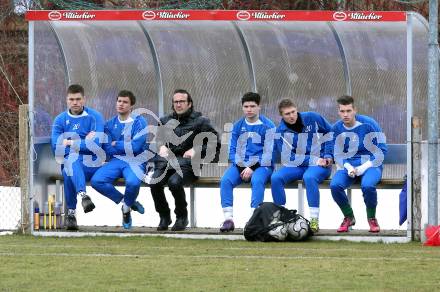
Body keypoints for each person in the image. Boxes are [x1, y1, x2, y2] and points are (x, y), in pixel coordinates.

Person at [151, 89, 219, 231]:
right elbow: (157, 141)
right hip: (166, 164)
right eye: (176, 102)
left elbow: (214, 142)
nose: (178, 104)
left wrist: (197, 150)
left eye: (182, 101)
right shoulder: (164, 121)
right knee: (154, 181)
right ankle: (164, 216)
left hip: (188, 166)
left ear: (189, 104)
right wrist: (161, 146)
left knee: (174, 182)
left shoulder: (201, 121)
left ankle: (182, 217)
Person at [326, 95, 387, 233]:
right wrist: (348, 167)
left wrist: (363, 167)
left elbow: (381, 151)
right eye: (342, 111)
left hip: (371, 165)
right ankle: (348, 217)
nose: (345, 114)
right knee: (335, 185)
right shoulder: (336, 128)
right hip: (348, 166)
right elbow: (337, 153)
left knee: (368, 185)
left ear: (355, 110)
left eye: (348, 111)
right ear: (338, 111)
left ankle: (372, 219)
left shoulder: (369, 124)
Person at [270, 99, 332, 233]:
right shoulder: (280, 132)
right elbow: (289, 158)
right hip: (299, 165)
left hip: (320, 164)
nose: (291, 116)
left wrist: (327, 155)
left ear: (297, 109)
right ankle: (281, 218)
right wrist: (314, 160)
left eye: (293, 112)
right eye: (287, 114)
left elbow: (330, 133)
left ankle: (314, 220)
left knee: (309, 177)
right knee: (275, 178)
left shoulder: (313, 118)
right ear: (282, 116)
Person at [51, 84, 105, 231]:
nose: (75, 102)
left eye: (78, 99)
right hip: (72, 162)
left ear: (84, 99)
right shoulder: (60, 120)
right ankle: (83, 197)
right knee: (70, 165)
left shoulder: (95, 117)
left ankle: (71, 214)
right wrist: (84, 142)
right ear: (67, 100)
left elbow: (96, 144)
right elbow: (56, 147)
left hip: (92, 163)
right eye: (71, 99)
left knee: (69, 165)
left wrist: (69, 142)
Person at [91, 90, 148, 229]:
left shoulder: (140, 122)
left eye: (125, 102)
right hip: (116, 161)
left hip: (135, 160)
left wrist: (118, 143)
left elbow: (136, 147)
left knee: (133, 183)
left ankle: (126, 210)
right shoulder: (109, 124)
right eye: (119, 101)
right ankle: (127, 203)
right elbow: (108, 148)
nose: (121, 104)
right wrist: (121, 146)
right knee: (96, 181)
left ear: (131, 105)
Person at [219, 92, 276, 232]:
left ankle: (254, 220)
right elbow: (232, 151)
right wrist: (241, 166)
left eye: (252, 106)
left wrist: (252, 167)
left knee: (257, 180)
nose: (249, 109)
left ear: (259, 107)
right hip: (241, 165)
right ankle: (228, 219)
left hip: (263, 166)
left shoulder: (268, 126)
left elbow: (269, 154)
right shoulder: (237, 126)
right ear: (242, 107)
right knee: (225, 180)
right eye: (246, 106)